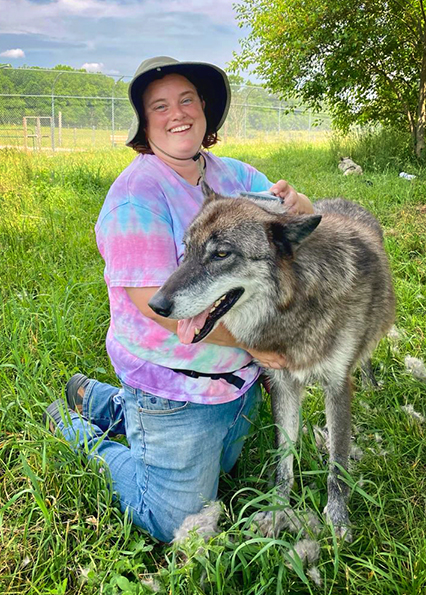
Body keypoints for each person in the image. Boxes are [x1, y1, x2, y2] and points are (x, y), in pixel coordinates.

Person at [45, 56, 314, 543]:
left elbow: (293, 229)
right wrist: (256, 344)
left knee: (226, 466)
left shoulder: (232, 176)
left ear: (205, 107)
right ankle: (76, 428)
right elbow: (156, 302)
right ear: (145, 125)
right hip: (174, 388)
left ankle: (102, 402)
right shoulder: (137, 197)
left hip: (235, 385)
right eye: (160, 106)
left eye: (187, 99)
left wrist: (302, 205)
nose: (178, 114)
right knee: (177, 524)